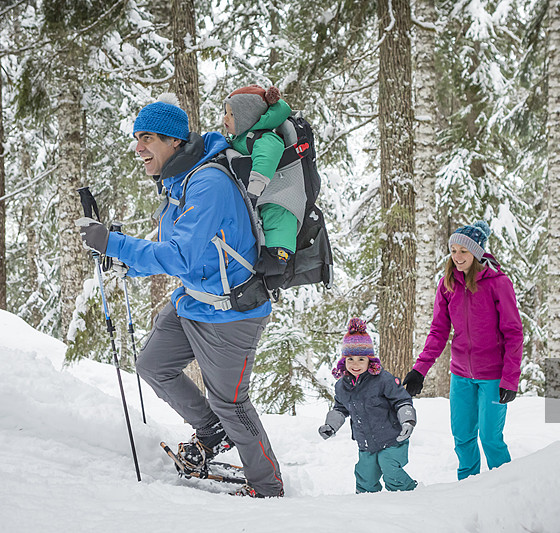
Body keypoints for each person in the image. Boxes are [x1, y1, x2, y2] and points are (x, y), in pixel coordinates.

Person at [75, 96, 283, 498]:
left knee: (232, 404)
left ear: (173, 141)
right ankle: (211, 432)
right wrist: (124, 263)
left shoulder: (208, 183)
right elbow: (181, 252)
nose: (139, 147)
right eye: (137, 138)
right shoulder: (179, 182)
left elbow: (180, 255)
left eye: (147, 137)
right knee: (153, 365)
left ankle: (267, 485)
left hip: (231, 313)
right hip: (194, 300)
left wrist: (114, 243)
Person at [402, 221, 523, 480]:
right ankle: (467, 488)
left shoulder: (498, 283)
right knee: (463, 438)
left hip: (492, 376)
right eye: (453, 250)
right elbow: (438, 332)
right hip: (461, 376)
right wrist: (419, 370)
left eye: (463, 252)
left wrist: (510, 379)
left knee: (490, 438)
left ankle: (506, 486)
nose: (457, 257)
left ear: (477, 253)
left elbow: (514, 333)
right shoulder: (447, 285)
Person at [318, 318, 418, 493]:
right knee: (365, 477)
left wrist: (408, 420)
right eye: (350, 359)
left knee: (391, 471)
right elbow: (340, 409)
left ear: (370, 360)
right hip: (366, 443)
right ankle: (365, 507)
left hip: (392, 438)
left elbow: (402, 400)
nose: (355, 364)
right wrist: (330, 426)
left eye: (361, 359)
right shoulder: (342, 386)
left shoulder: (383, 380)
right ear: (344, 360)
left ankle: (409, 496)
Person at [222, 84, 299, 289]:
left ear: (247, 117)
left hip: (279, 195)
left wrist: (255, 188)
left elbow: (266, 159)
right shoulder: (241, 138)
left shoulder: (265, 138)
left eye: (231, 114)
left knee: (278, 221)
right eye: (226, 113)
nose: (225, 118)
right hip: (261, 196)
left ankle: (278, 260)